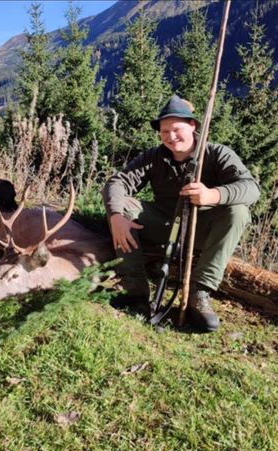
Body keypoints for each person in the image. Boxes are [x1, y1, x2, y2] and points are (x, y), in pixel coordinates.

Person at [102, 95, 260, 332]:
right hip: (164, 224)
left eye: (176, 129)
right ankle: (136, 294)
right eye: (164, 131)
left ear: (193, 126)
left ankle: (200, 292)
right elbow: (118, 182)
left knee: (238, 212)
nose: (170, 136)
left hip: (201, 229)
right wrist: (116, 216)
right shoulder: (154, 157)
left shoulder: (217, 154)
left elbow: (252, 189)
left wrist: (213, 195)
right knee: (122, 205)